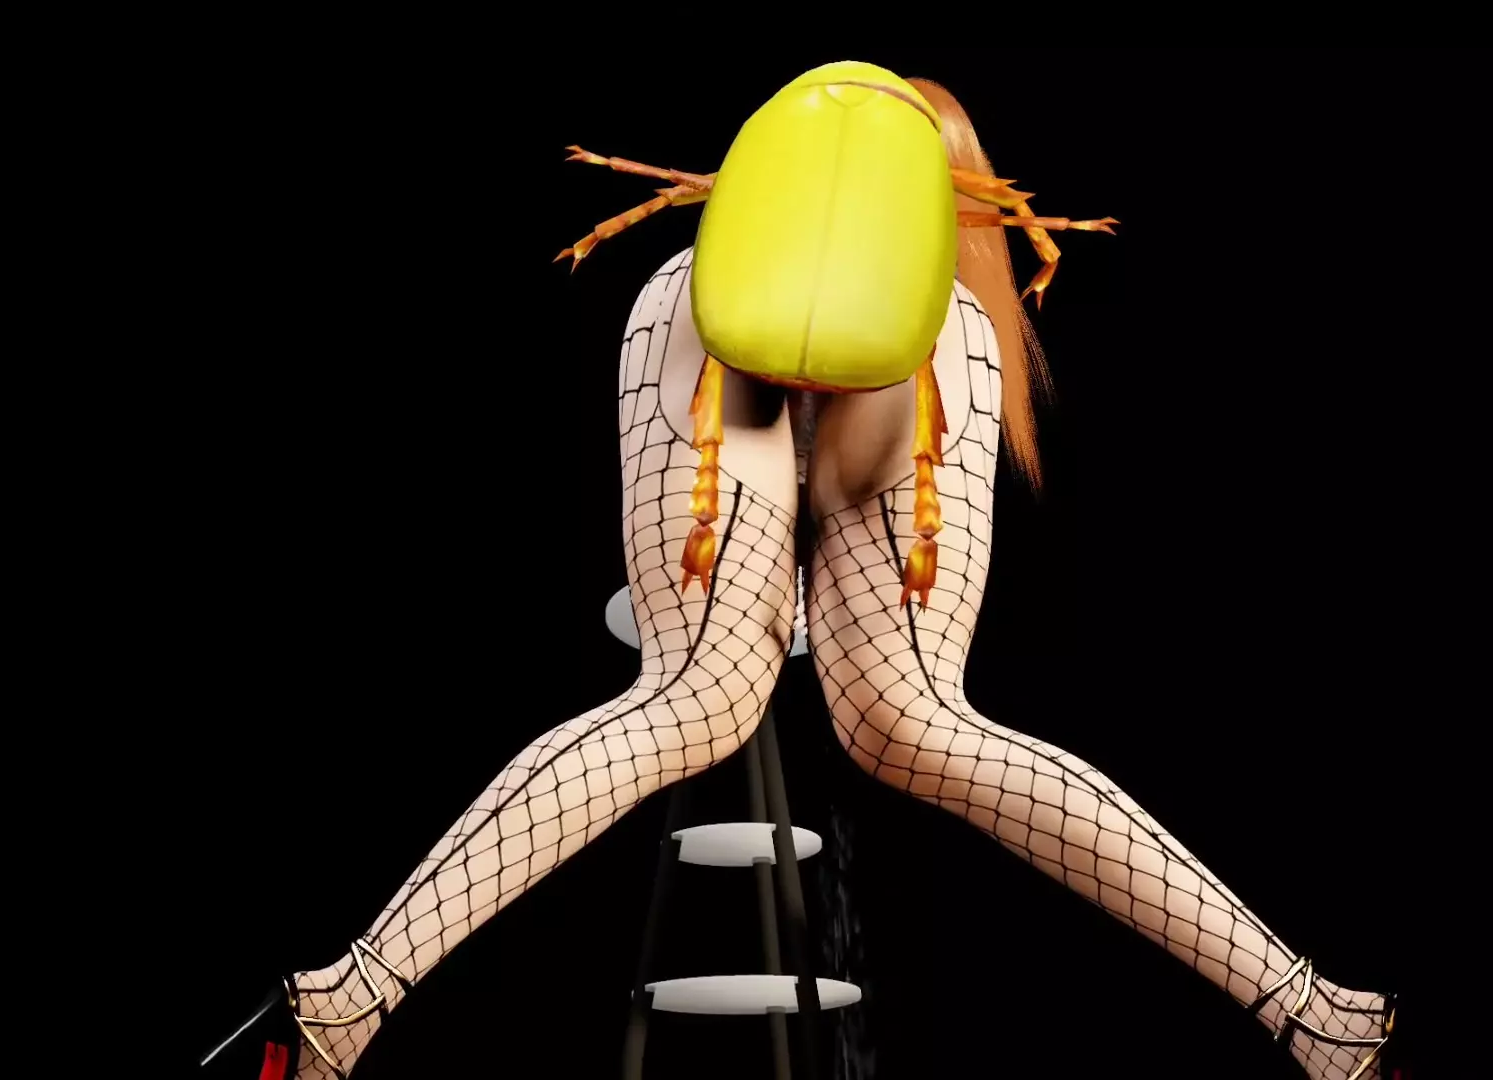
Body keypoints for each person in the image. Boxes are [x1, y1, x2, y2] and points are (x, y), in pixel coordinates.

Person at [285, 79, 1397, 1080]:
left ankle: (356, 995)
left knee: (687, 697)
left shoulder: (734, 257)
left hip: (704, 299)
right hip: (884, 336)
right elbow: (862, 489)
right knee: (911, 720)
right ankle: (1309, 1014)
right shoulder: (954, 308)